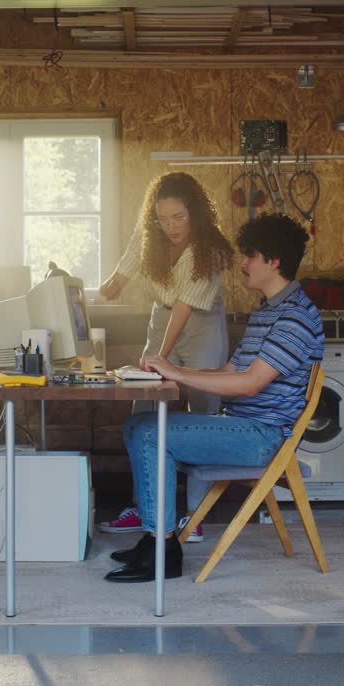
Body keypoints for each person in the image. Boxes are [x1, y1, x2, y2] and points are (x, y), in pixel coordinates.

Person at [104, 212, 325, 582]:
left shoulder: (295, 318)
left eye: (250, 256)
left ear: (273, 261)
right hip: (243, 427)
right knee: (138, 423)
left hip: (262, 438)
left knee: (148, 432)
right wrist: (168, 371)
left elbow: (250, 384)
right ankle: (156, 539)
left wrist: (177, 373)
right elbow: (231, 371)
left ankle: (163, 550)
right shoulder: (268, 312)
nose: (242, 265)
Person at [99, 172, 234, 541]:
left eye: (179, 217)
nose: (170, 226)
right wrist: (114, 284)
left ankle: (195, 516)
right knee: (142, 408)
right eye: (162, 218)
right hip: (162, 319)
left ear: (196, 213)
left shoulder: (212, 250)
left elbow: (186, 306)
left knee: (203, 412)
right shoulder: (153, 237)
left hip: (200, 323)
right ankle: (145, 508)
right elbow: (132, 255)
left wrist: (160, 356)